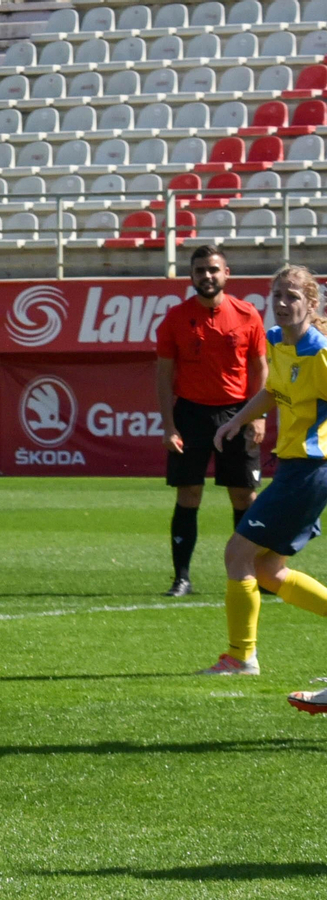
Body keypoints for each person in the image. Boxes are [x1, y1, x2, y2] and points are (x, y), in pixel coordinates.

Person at [210, 266, 327, 704]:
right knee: (267, 569)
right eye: (276, 294)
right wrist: (238, 421)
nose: (282, 302)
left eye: (292, 295)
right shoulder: (277, 341)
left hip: (311, 469)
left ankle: (241, 657)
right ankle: (242, 657)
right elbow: (275, 392)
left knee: (238, 553)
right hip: (296, 467)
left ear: (311, 304)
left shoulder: (319, 353)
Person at [156, 245, 267, 608]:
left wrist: (259, 415)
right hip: (190, 415)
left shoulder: (248, 314)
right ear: (191, 275)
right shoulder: (175, 318)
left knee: (244, 496)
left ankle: (251, 572)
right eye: (200, 270)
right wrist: (169, 425)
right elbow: (163, 375)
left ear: (226, 273)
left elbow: (260, 368)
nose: (207, 276)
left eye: (213, 270)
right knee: (188, 495)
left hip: (237, 414)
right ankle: (182, 577)